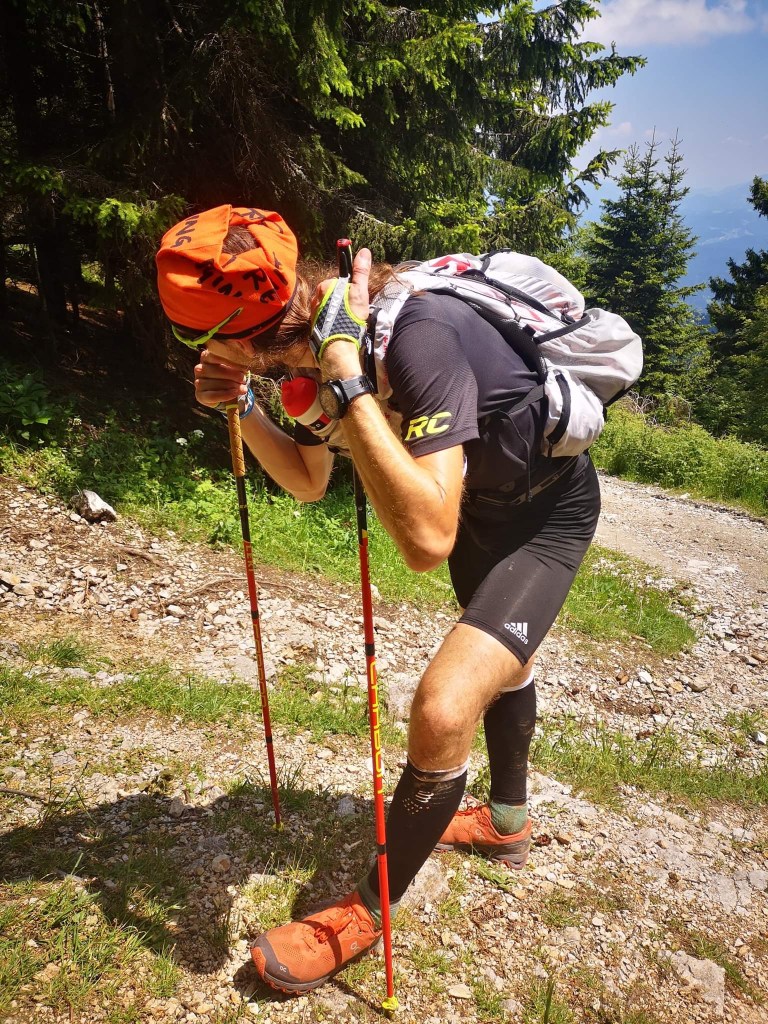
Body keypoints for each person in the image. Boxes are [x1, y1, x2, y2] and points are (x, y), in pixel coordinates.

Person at [156, 205, 601, 995]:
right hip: (481, 508)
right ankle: (506, 825)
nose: (200, 355)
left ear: (237, 336)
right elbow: (308, 479)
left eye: (198, 341)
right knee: (503, 661)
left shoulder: (410, 334)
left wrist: (346, 373)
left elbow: (426, 541)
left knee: (443, 707)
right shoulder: (307, 352)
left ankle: (367, 911)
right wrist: (246, 408)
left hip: (544, 516)